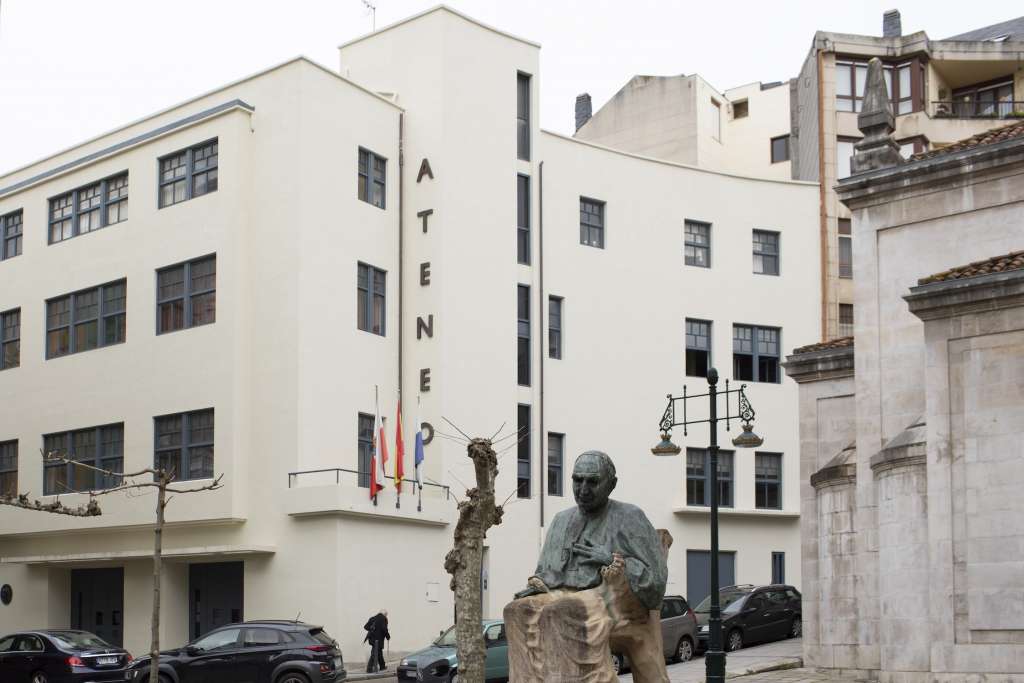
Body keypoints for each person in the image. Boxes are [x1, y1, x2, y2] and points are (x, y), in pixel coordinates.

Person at [504, 451, 669, 683]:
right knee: (516, 610)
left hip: (614, 597)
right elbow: (548, 570)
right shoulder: (562, 520)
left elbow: (657, 580)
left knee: (565, 610)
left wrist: (611, 559)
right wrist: (539, 584)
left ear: (611, 485)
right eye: (577, 480)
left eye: (592, 481)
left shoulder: (629, 516)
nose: (583, 488)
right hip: (564, 593)